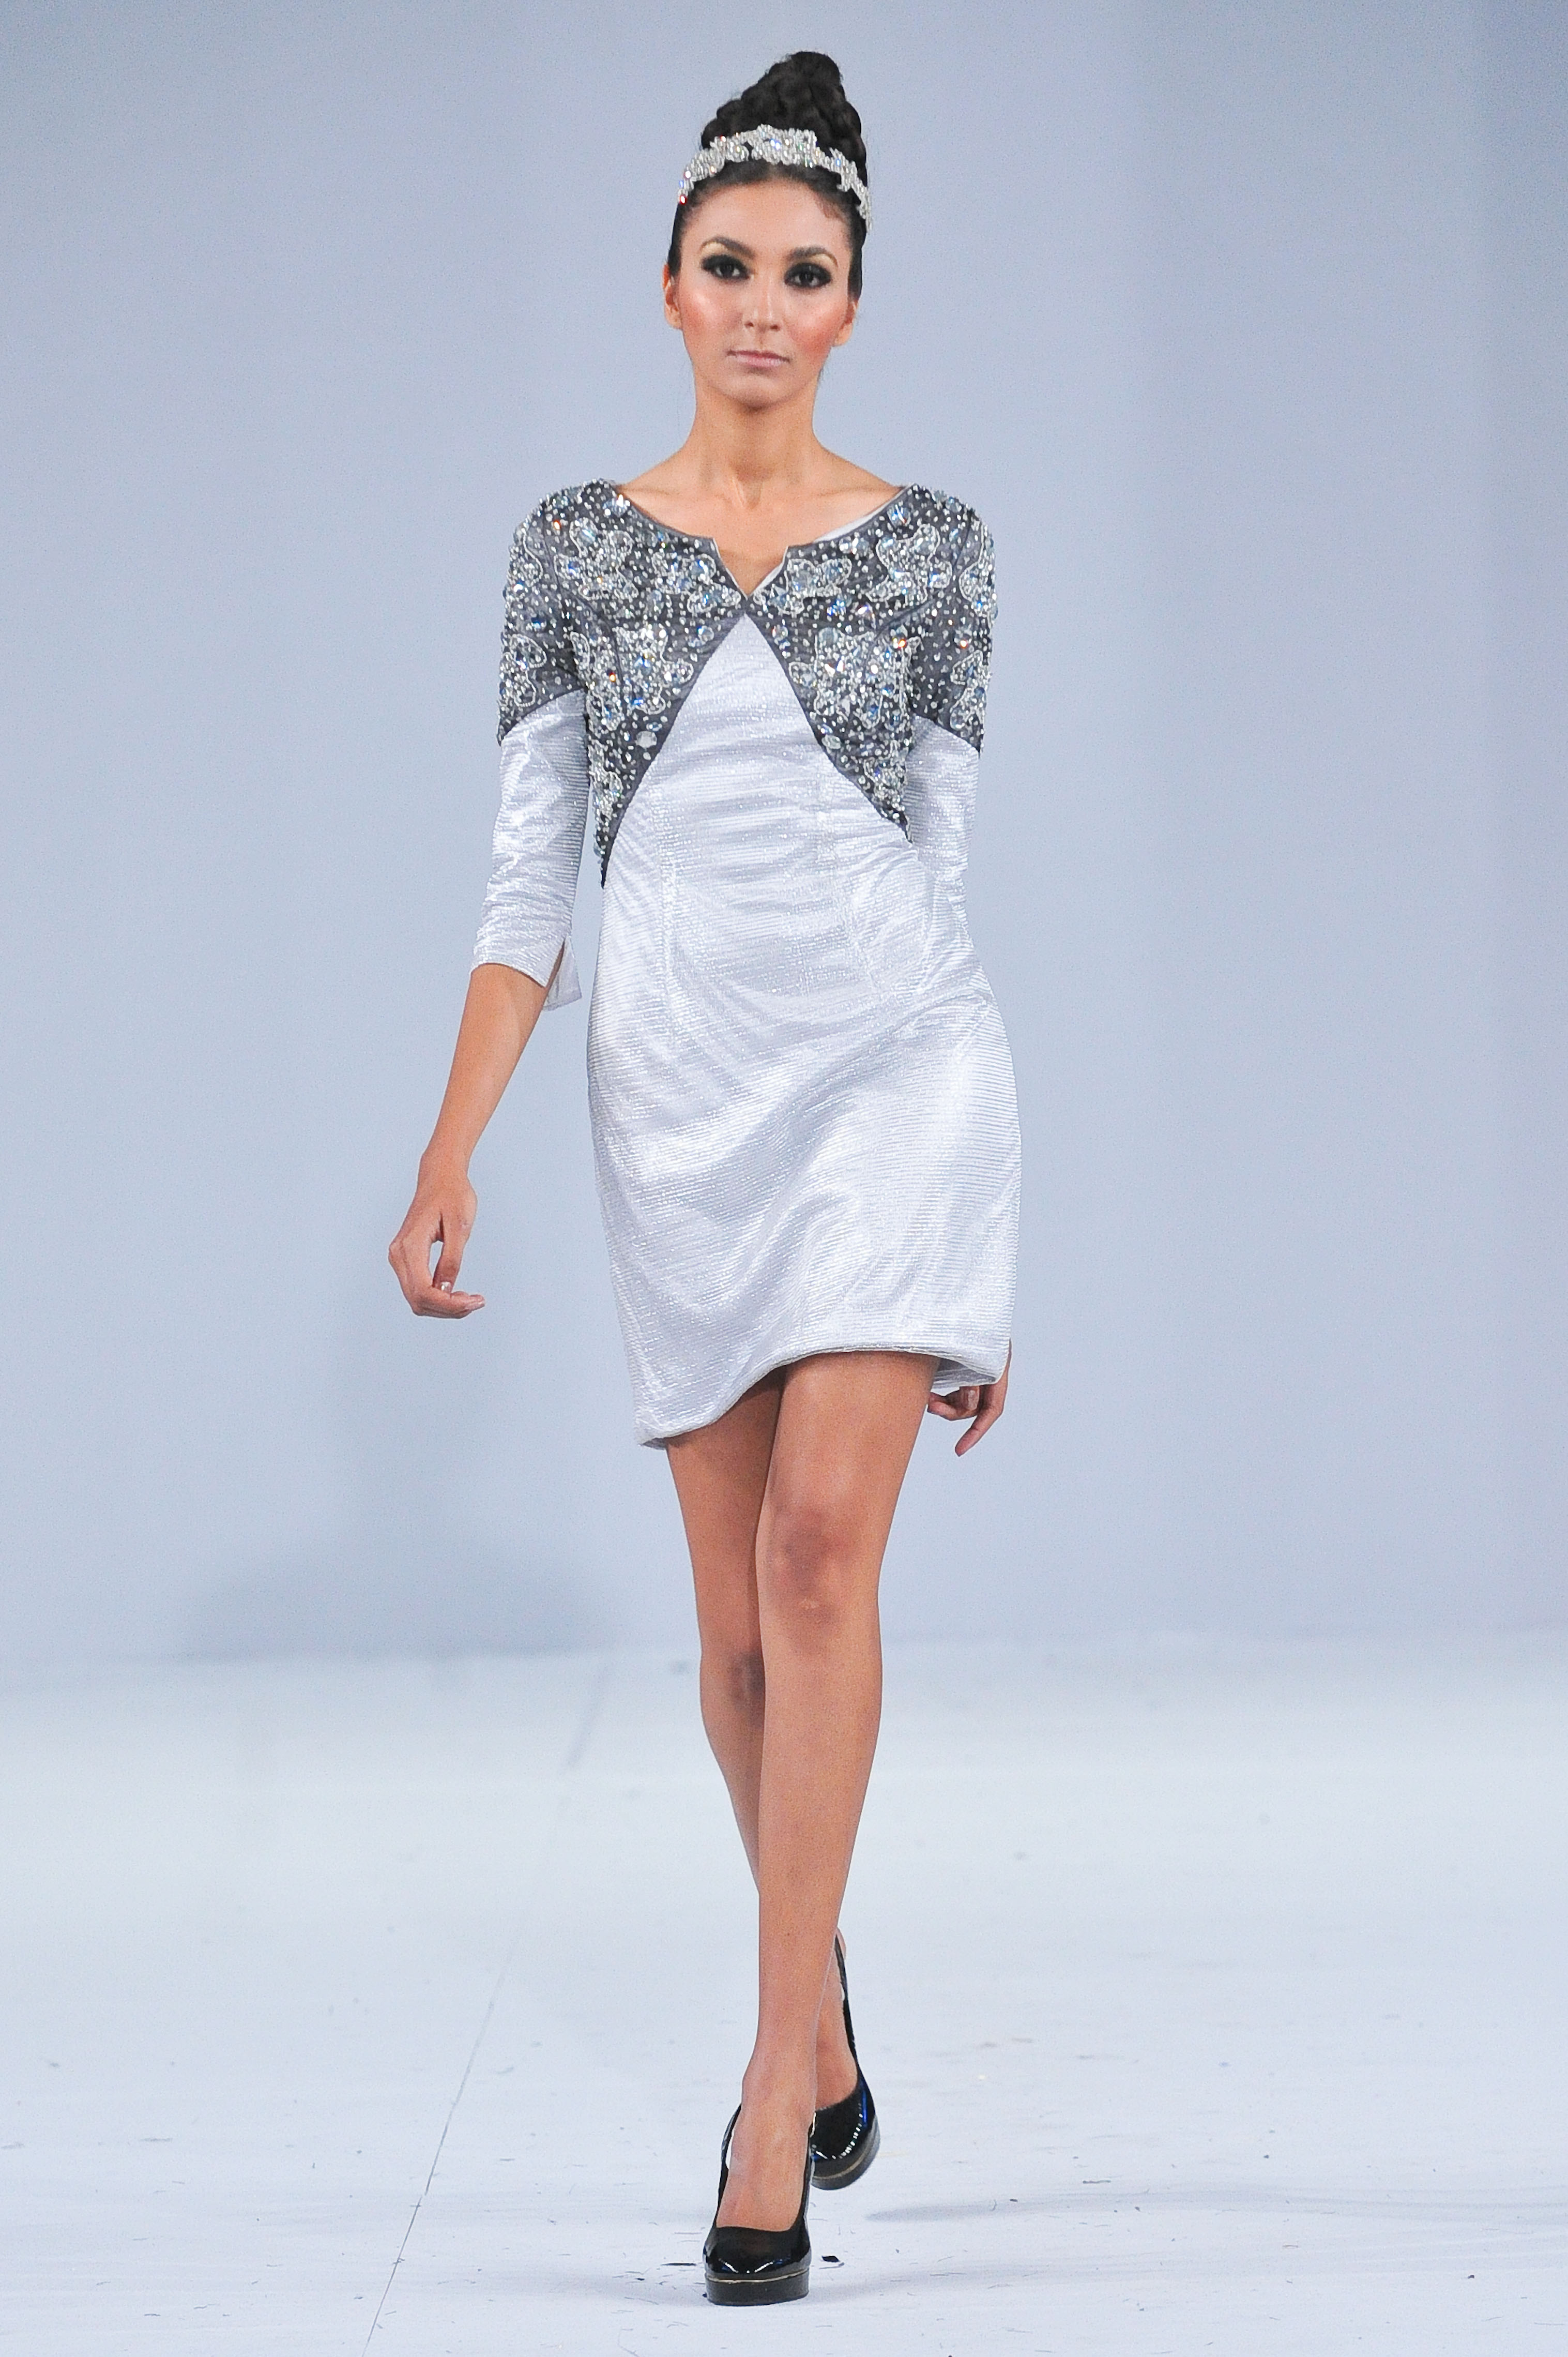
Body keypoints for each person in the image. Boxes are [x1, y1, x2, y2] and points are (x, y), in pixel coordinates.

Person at [389, 50, 1019, 2307]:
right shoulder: (574, 546)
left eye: (807, 273)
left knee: (823, 1559)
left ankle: (767, 2095)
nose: (766, 304)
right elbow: (525, 890)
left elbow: (942, 875)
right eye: (730, 265)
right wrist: (451, 1147)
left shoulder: (937, 549)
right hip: (673, 1105)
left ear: (853, 303)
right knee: (737, 1628)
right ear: (669, 284)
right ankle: (819, 2000)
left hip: (896, 1081)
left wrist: (977, 1267)